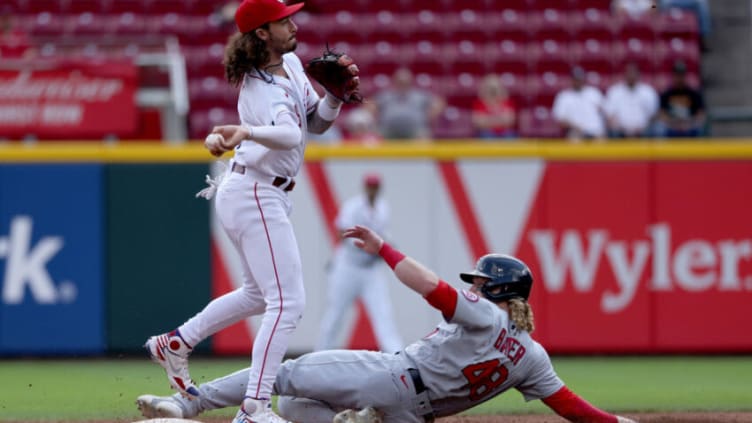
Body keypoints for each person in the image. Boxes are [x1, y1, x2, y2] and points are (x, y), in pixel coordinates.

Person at [137, 225, 637, 423]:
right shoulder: (532, 356)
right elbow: (573, 409)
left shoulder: (485, 314)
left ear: (500, 291)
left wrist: (385, 250)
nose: (477, 286)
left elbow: (434, 289)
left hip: (393, 376)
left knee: (285, 374)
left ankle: (188, 402)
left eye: (484, 281)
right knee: (291, 408)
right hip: (412, 417)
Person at [144, 0, 358, 422]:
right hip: (255, 190)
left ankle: (176, 342)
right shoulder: (257, 86)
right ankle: (256, 406)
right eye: (283, 21)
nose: (293, 24)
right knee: (288, 302)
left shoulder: (293, 64)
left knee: (260, 295)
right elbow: (287, 132)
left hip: (259, 191)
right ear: (261, 33)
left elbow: (312, 123)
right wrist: (247, 130)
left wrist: (334, 97)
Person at [315, 173, 402, 353]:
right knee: (335, 315)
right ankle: (319, 355)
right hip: (348, 266)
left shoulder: (383, 208)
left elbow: (384, 237)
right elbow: (341, 232)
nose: (372, 189)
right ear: (365, 187)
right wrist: (368, 246)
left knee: (384, 314)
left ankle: (397, 357)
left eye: (375, 186)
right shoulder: (353, 206)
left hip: (370, 269)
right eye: (370, 186)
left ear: (379, 188)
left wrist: (384, 247)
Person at [365, 67, 446, 141]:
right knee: (373, 139)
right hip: (388, 129)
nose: (403, 83)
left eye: (405, 81)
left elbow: (439, 102)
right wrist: (375, 115)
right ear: (395, 81)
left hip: (415, 129)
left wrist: (429, 115)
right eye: (400, 81)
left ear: (410, 81)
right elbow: (369, 103)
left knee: (424, 137)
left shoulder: (419, 95)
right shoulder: (386, 95)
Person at [604, 62, 659, 138]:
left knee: (657, 129)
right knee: (612, 132)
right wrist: (623, 129)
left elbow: (653, 116)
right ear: (625, 74)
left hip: (643, 131)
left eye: (634, 73)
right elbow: (610, 116)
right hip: (621, 132)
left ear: (639, 74)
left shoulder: (648, 92)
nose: (631, 76)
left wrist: (641, 128)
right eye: (629, 73)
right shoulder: (615, 91)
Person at [552, 66, 606, 142]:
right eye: (576, 79)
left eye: (580, 79)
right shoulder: (564, 96)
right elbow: (560, 120)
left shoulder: (594, 93)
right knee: (574, 138)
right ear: (571, 80)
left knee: (602, 140)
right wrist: (575, 126)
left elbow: (605, 113)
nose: (578, 81)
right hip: (576, 132)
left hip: (596, 133)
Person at [656, 61, 706, 138]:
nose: (679, 78)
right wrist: (674, 124)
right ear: (673, 76)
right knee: (659, 128)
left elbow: (700, 114)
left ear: (685, 76)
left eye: (681, 75)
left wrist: (689, 124)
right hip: (671, 126)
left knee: (700, 128)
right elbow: (662, 114)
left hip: (690, 126)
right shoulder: (667, 94)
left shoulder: (693, 94)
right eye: (677, 75)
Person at [471, 74, 517, 140]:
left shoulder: (507, 102)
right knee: (487, 136)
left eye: (495, 87)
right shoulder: (479, 103)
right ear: (485, 88)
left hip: (505, 133)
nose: (493, 90)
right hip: (486, 133)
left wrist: (487, 120)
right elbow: (478, 122)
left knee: (510, 136)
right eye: (490, 87)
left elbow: (510, 120)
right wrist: (500, 119)